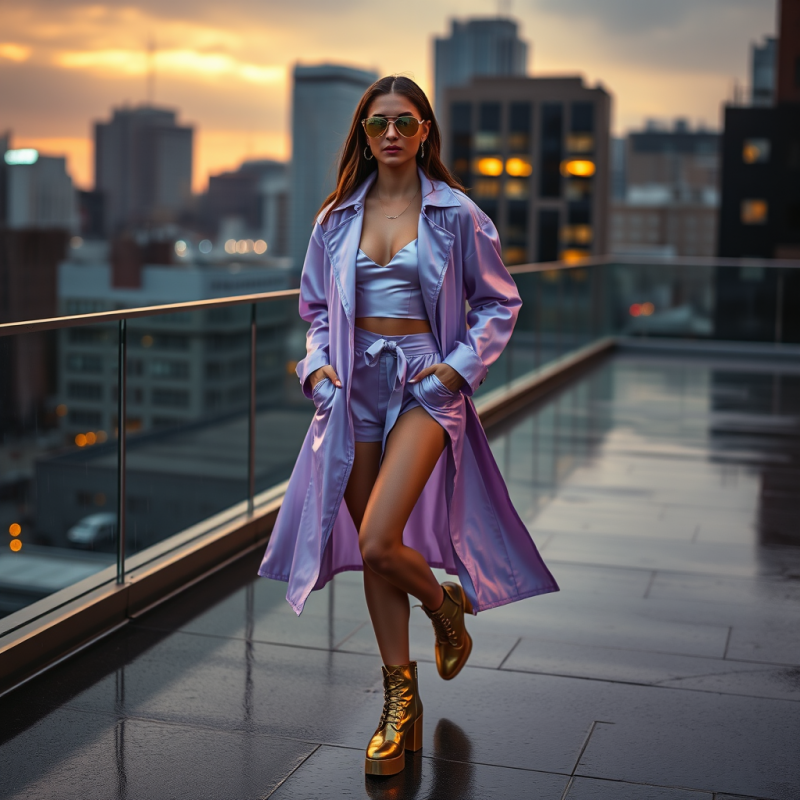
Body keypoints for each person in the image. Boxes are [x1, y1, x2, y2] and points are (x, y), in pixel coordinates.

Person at [259, 75, 558, 777]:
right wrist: (317, 369)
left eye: (404, 122)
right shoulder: (334, 219)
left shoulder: (456, 215)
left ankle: (445, 606)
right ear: (362, 135)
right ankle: (401, 705)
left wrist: (455, 370)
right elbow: (315, 314)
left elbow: (500, 303)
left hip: (425, 383)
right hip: (353, 388)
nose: (390, 134)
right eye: (376, 124)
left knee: (377, 537)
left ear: (425, 131)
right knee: (375, 552)